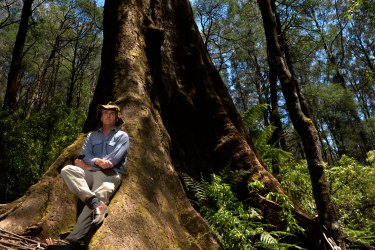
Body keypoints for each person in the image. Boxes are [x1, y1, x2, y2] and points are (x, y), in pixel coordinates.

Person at [47, 102, 129, 248]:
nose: (108, 116)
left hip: (110, 174)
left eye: (112, 113)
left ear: (116, 117)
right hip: (91, 173)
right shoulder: (91, 136)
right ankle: (93, 202)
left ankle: (73, 240)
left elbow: (115, 158)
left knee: (100, 194)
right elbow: (86, 154)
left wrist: (94, 164)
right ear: (101, 116)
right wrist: (95, 161)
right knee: (68, 170)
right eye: (105, 113)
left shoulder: (122, 136)